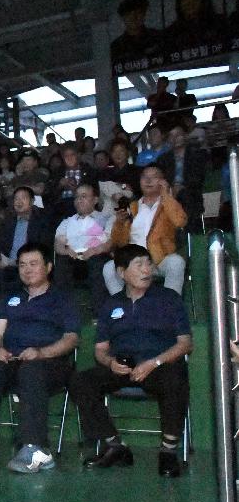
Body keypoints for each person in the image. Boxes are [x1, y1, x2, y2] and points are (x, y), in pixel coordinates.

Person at [71, 245, 193, 478]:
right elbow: (100, 350)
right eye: (139, 264)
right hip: (122, 366)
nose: (146, 269)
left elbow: (185, 343)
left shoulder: (168, 299)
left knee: (176, 378)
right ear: (121, 272)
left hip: (158, 366)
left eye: (148, 263)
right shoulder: (111, 304)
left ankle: (168, 451)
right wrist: (110, 363)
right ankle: (115, 445)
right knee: (81, 381)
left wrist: (154, 363)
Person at [0, 242, 80, 474]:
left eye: (34, 264)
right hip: (14, 359)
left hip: (51, 363)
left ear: (48, 267)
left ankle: (35, 448)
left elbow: (71, 339)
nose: (27, 270)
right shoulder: (11, 299)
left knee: (31, 369)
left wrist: (41, 353)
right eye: (22, 265)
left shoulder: (62, 299)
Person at [103, 165, 187, 296]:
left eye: (154, 177)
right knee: (109, 268)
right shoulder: (133, 207)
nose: (148, 181)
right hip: (134, 260)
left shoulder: (168, 204)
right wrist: (119, 223)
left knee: (176, 262)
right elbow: (119, 242)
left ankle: (171, 306)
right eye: (144, 177)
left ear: (162, 181)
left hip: (159, 260)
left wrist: (166, 194)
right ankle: (124, 307)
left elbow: (180, 221)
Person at [54, 183, 113, 311]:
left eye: (84, 196)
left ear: (95, 200)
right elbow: (58, 244)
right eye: (77, 197)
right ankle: (64, 311)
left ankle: (99, 311)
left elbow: (109, 242)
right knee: (62, 263)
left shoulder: (106, 218)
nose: (79, 200)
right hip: (72, 256)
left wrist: (95, 250)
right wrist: (66, 251)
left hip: (96, 254)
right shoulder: (67, 221)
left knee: (99, 263)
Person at [0, 187, 54, 295]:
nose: (19, 202)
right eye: (16, 199)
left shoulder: (42, 221)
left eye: (23, 198)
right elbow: (1, 245)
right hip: (9, 265)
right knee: (0, 276)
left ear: (32, 201)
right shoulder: (8, 222)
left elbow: (44, 247)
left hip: (31, 264)